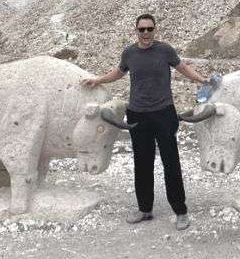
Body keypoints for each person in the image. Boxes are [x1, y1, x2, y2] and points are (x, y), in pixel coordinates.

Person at [81, 13, 208, 231]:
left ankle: (180, 210)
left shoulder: (165, 50)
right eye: (142, 29)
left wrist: (201, 79)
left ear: (155, 29)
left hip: (164, 113)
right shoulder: (129, 53)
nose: (146, 33)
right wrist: (98, 79)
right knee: (142, 163)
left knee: (171, 162)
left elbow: (182, 67)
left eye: (150, 29)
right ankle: (145, 209)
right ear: (136, 31)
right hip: (138, 114)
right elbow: (118, 73)